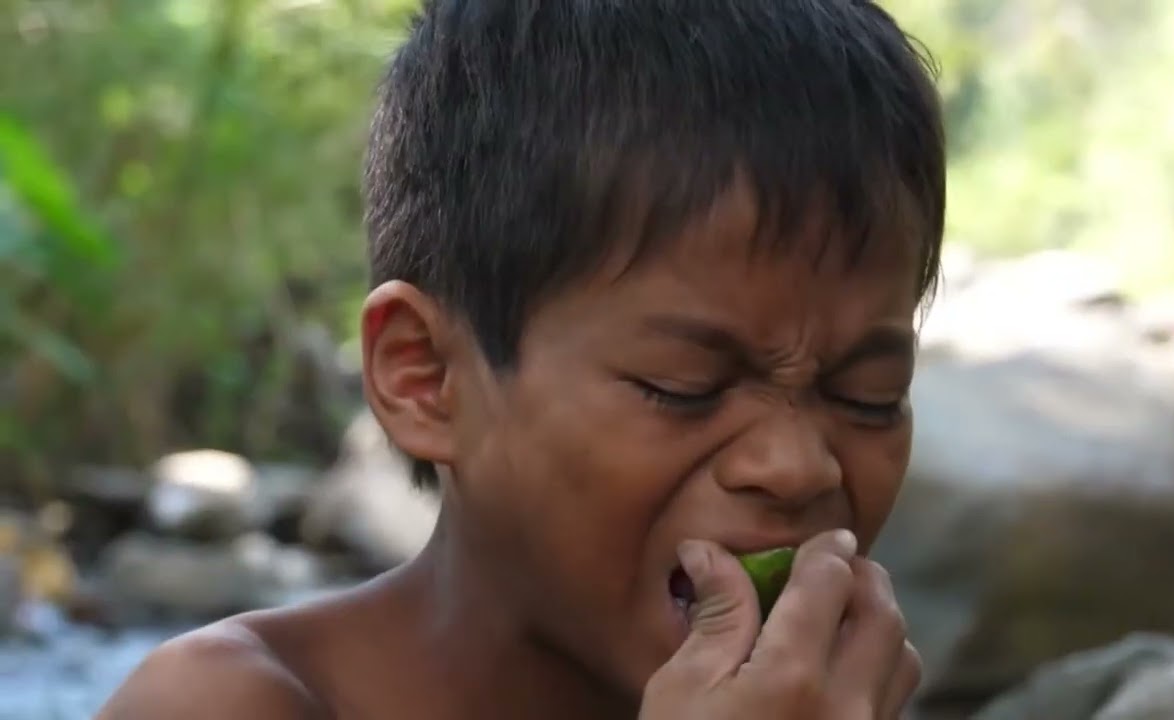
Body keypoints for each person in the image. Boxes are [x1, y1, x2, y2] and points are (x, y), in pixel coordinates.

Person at [97, 0, 945, 717]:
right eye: (680, 387)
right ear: (425, 377)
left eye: (870, 396)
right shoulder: (230, 701)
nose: (796, 467)